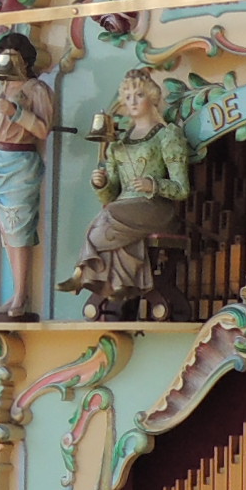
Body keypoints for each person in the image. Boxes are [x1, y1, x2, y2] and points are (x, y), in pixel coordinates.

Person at [62, 71, 193, 317]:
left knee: (109, 217)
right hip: (122, 210)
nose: (132, 101)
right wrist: (101, 184)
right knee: (111, 217)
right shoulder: (117, 143)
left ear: (152, 98)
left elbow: (182, 188)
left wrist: (153, 184)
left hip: (155, 208)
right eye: (128, 96)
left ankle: (83, 272)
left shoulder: (167, 135)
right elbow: (110, 196)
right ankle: (119, 285)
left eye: (139, 95)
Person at [0, 32, 59, 320]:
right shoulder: (0, 90)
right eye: (3, 55)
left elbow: (42, 130)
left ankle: (22, 295)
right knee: (7, 231)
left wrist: (16, 112)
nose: (7, 62)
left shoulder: (36, 89)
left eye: (12, 56)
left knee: (19, 228)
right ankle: (15, 294)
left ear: (24, 59)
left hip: (21, 163)